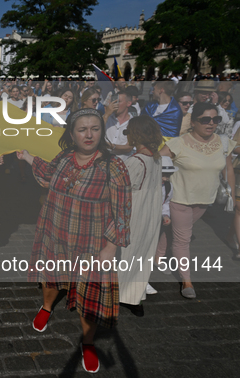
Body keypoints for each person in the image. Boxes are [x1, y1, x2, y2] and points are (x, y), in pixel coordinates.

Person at [17, 108, 131, 373]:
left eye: (95, 128)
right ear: (71, 133)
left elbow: (122, 211)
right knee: (52, 279)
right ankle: (46, 307)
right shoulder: (65, 157)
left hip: (90, 244)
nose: (89, 134)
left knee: (88, 296)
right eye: (82, 129)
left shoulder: (113, 166)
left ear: (102, 132)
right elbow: (46, 175)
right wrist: (26, 156)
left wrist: (111, 246)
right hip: (56, 234)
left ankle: (88, 343)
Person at [159, 102, 236, 298]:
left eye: (215, 119)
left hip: (205, 200)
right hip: (180, 198)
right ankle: (187, 281)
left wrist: (232, 195)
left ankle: (156, 256)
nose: (211, 123)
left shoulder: (223, 142)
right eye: (205, 120)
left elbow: (228, 169)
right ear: (193, 122)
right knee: (183, 239)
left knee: (174, 230)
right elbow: (156, 160)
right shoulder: (179, 142)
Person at [118, 115, 163, 317]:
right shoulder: (156, 156)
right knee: (143, 255)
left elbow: (120, 190)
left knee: (128, 254)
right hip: (151, 212)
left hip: (134, 213)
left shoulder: (135, 161)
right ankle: (134, 296)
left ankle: (125, 296)